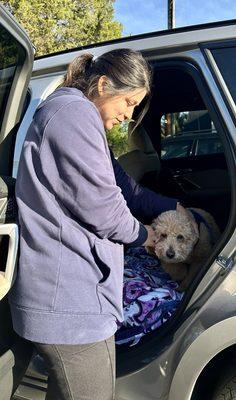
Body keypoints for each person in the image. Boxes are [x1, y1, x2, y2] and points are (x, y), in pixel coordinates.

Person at [9, 48, 185, 400]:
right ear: (104, 85)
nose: (130, 115)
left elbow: (120, 187)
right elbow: (104, 207)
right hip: (69, 306)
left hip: (75, 300)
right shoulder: (73, 114)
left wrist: (172, 208)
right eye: (129, 102)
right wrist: (144, 234)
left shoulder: (73, 115)